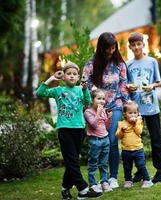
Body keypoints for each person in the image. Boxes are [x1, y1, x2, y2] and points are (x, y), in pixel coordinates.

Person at [36, 61, 102, 200]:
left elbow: (87, 102)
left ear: (78, 77)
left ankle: (65, 190)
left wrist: (84, 89)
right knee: (72, 161)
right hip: (65, 129)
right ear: (64, 77)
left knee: (72, 161)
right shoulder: (58, 90)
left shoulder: (80, 89)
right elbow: (40, 92)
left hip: (79, 129)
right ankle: (83, 189)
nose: (72, 76)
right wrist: (52, 79)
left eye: (74, 74)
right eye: (69, 74)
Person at [83, 32, 129, 188]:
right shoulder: (91, 64)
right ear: (101, 48)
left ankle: (113, 177)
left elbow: (123, 86)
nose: (110, 51)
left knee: (112, 139)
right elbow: (86, 83)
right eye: (107, 48)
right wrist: (94, 92)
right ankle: (101, 178)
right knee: (100, 141)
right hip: (98, 108)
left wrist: (127, 104)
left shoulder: (120, 64)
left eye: (113, 48)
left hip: (115, 105)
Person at [126, 32, 161, 184]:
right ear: (130, 47)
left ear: (143, 45)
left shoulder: (152, 62)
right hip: (135, 109)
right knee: (136, 141)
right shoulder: (128, 64)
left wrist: (151, 86)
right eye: (133, 45)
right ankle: (140, 171)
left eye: (139, 44)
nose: (136, 47)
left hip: (151, 107)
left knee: (156, 139)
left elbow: (158, 82)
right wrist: (129, 87)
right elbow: (127, 85)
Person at [116, 101, 153, 188]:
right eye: (130, 113)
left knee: (141, 165)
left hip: (138, 149)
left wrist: (134, 124)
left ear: (138, 113)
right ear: (125, 114)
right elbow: (118, 136)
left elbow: (139, 132)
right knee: (127, 167)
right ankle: (128, 180)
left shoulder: (138, 122)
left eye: (135, 113)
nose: (133, 115)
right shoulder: (121, 124)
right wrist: (121, 130)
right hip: (126, 150)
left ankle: (147, 180)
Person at [84, 89, 113, 193]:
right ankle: (92, 184)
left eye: (103, 99)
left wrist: (109, 118)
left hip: (105, 139)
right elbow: (94, 125)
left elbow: (106, 126)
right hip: (95, 141)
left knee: (104, 163)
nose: (102, 101)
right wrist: (99, 113)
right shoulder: (88, 112)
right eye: (99, 98)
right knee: (93, 163)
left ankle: (104, 182)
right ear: (92, 100)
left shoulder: (103, 111)